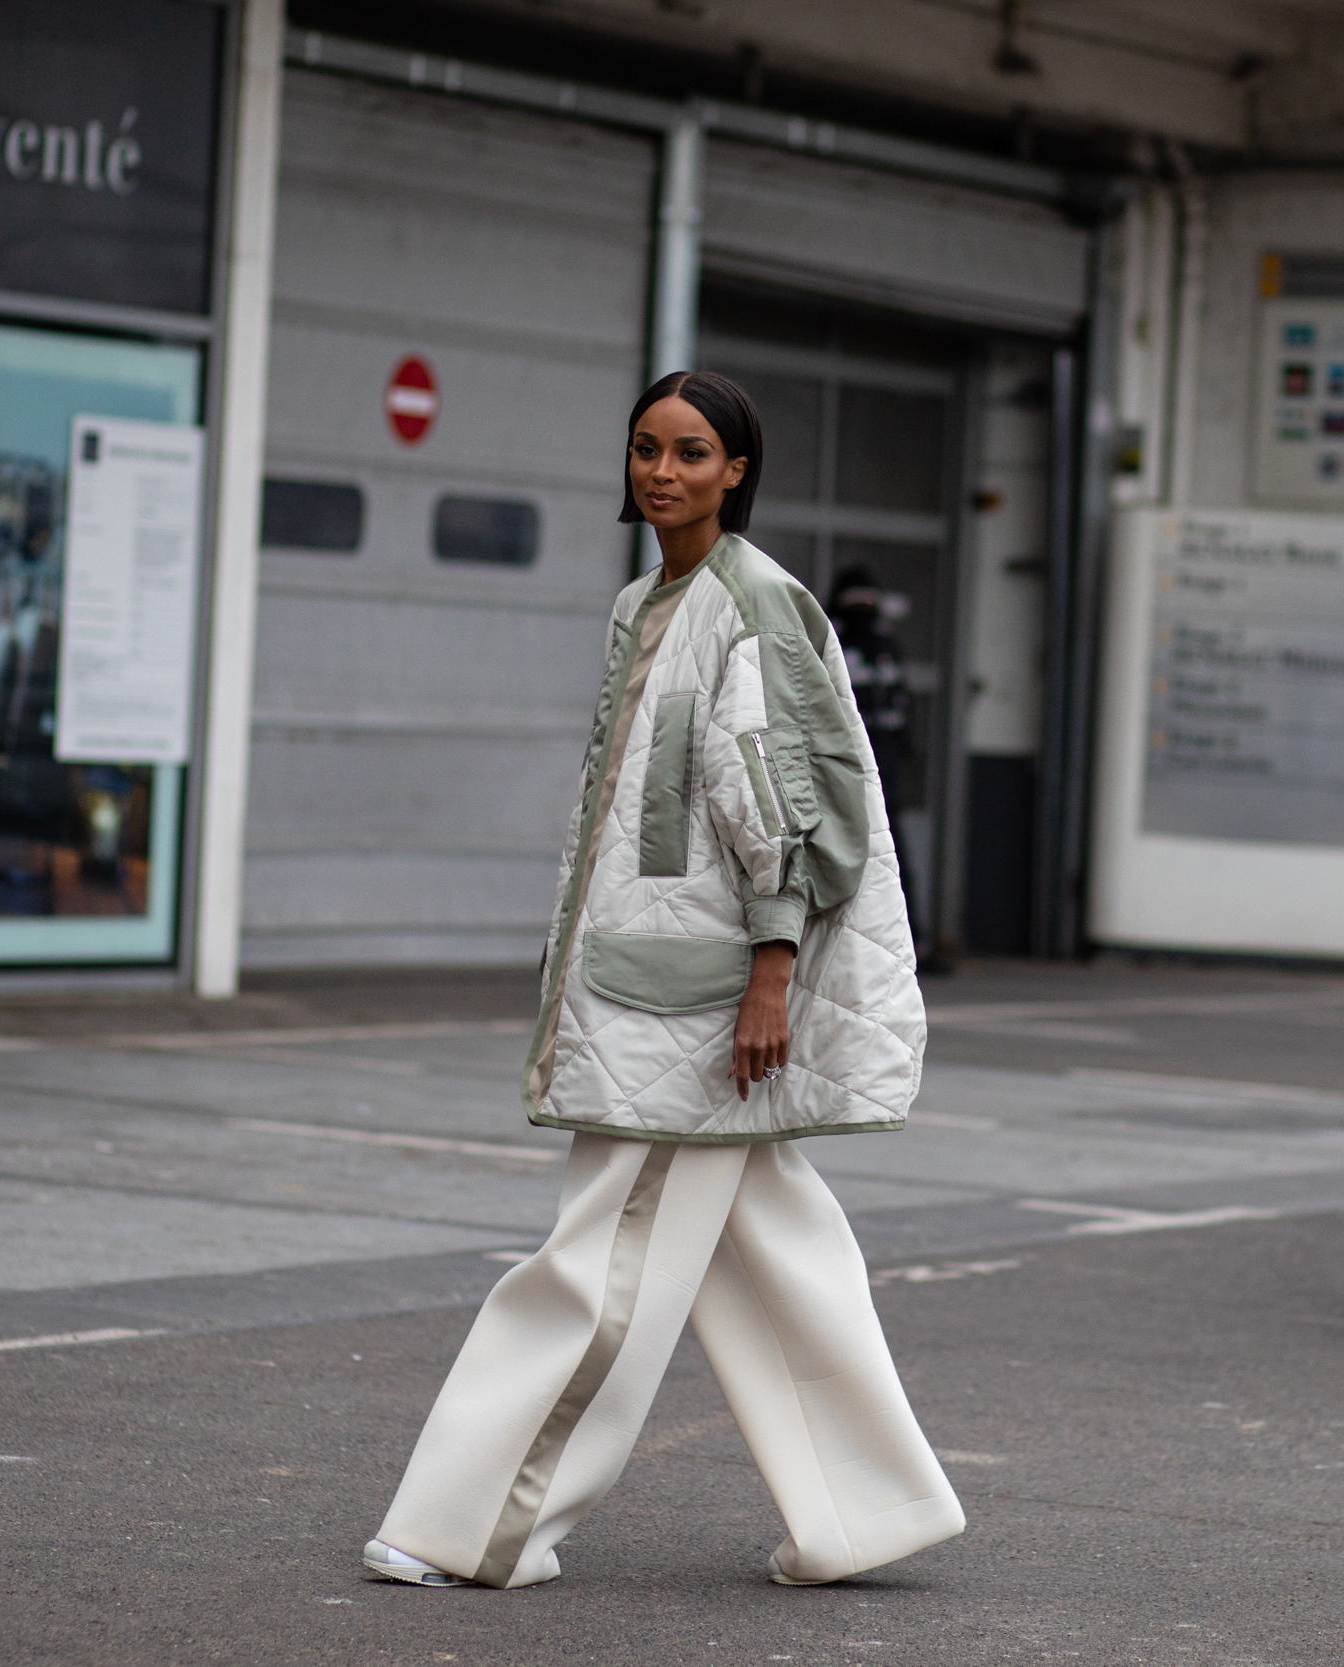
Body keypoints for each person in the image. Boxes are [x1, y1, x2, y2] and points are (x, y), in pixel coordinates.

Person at [360, 371, 963, 1591]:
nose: (663, 471)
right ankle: (867, 1511)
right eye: (646, 448)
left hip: (695, 1001)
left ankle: (479, 1522)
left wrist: (771, 976)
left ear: (736, 469)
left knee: (603, 1260)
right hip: (654, 979)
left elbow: (793, 806)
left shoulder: (754, 601)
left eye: (692, 452)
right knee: (770, 1254)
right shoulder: (648, 598)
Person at [829, 567, 922, 947]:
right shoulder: (832, 642)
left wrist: (902, 743)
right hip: (841, 763)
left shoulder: (886, 646)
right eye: (856, 603)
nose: (863, 610)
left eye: (868, 602)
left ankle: (905, 935)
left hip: (884, 764)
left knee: (889, 849)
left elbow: (899, 699)